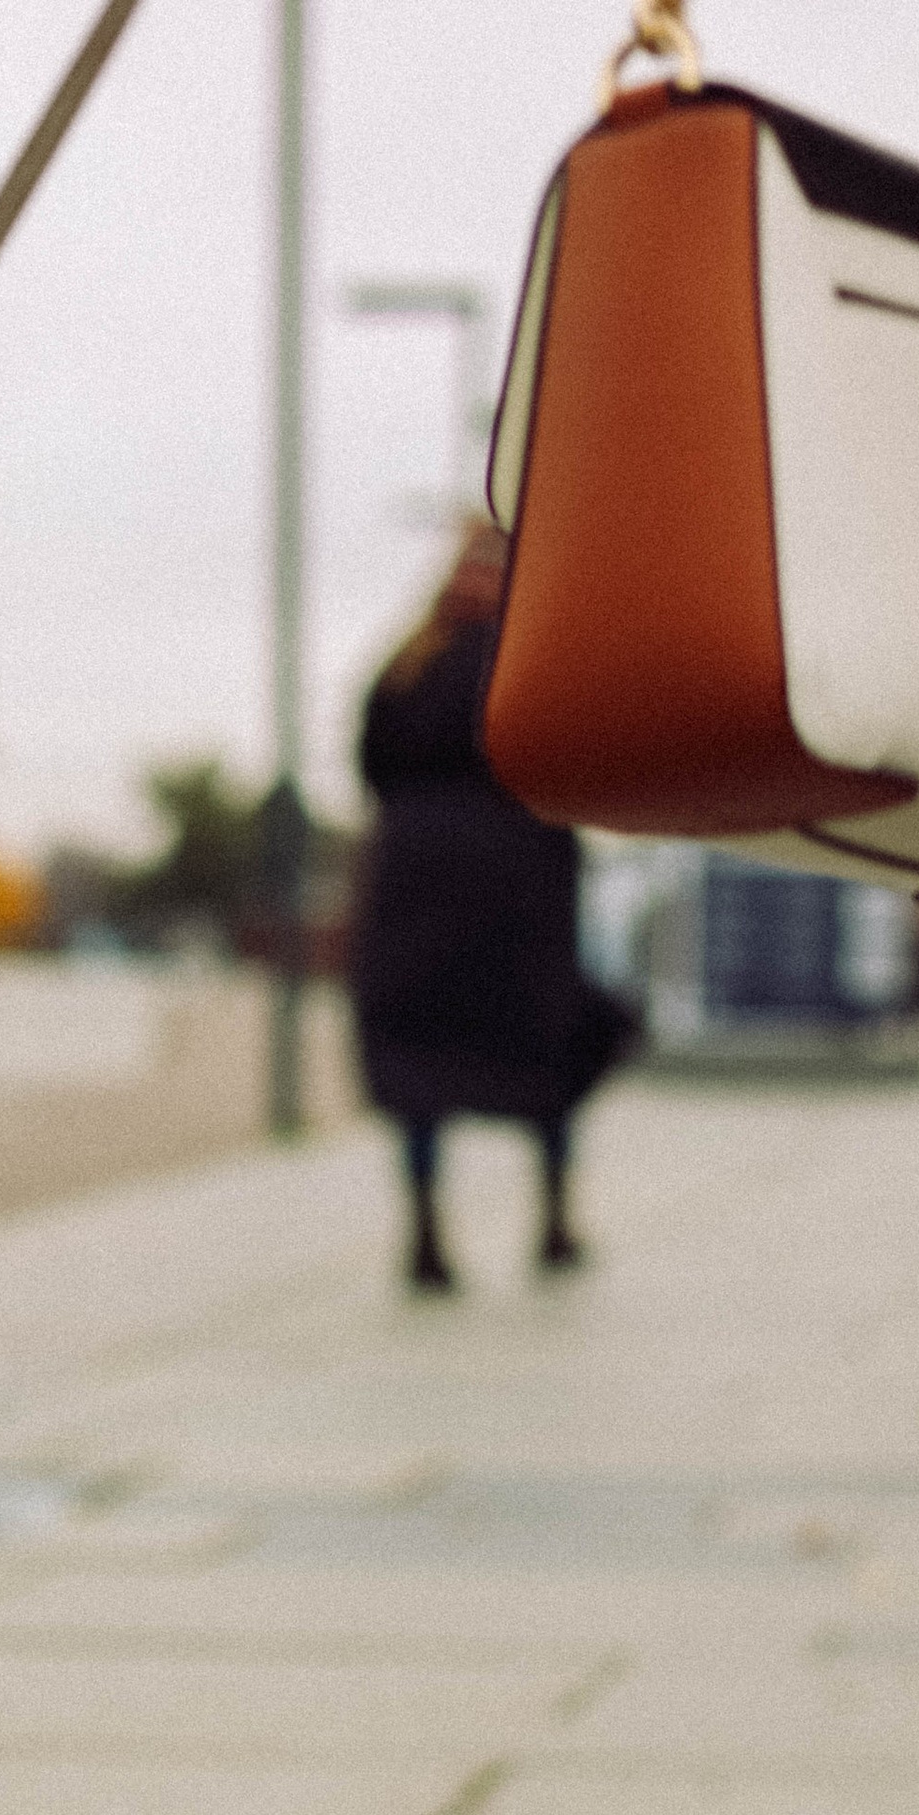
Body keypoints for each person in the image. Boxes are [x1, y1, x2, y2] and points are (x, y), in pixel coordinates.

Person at [346, 524, 637, 1295]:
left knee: (422, 1064)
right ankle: (551, 1220)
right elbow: (580, 761)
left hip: (422, 888)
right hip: (518, 890)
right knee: (540, 1052)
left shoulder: (405, 670)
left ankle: (429, 1233)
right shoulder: (534, 665)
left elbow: (369, 769)